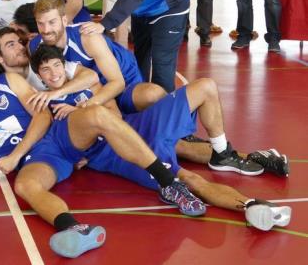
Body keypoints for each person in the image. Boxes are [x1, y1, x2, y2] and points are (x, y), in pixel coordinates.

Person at [0, 47, 206, 259]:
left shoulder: (8, 81)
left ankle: (168, 182)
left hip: (53, 137)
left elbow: (42, 116)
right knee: (24, 185)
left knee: (97, 113)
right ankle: (74, 228)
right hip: (38, 160)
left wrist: (15, 155)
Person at [31, 44, 291, 232]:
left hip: (134, 126)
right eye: (46, 70)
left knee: (205, 86)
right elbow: (62, 147)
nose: (53, 73)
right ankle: (253, 207)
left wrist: (81, 108)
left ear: (64, 67)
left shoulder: (85, 83)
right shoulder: (45, 108)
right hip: (113, 153)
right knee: (190, 178)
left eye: (56, 66)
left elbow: (114, 115)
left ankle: (228, 154)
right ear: (39, 77)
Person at [30, 0, 165, 114]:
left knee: (152, 94)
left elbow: (118, 83)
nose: (46, 30)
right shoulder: (35, 46)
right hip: (90, 89)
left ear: (64, 21)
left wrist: (85, 107)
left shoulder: (88, 38)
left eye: (52, 22)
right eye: (40, 23)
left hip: (122, 84)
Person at [0, 27, 99, 108]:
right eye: (11, 45)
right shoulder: (4, 88)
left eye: (20, 42)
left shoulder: (43, 61)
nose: (21, 47)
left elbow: (91, 77)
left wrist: (56, 93)